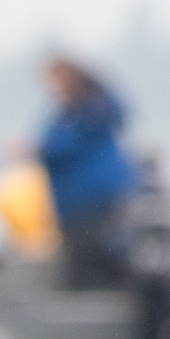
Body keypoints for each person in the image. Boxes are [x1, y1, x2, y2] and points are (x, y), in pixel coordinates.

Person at [36, 57, 141, 291]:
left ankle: (95, 313)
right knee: (91, 263)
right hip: (85, 205)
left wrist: (36, 149)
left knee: (90, 266)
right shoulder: (75, 113)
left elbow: (58, 147)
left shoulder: (88, 112)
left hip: (93, 204)